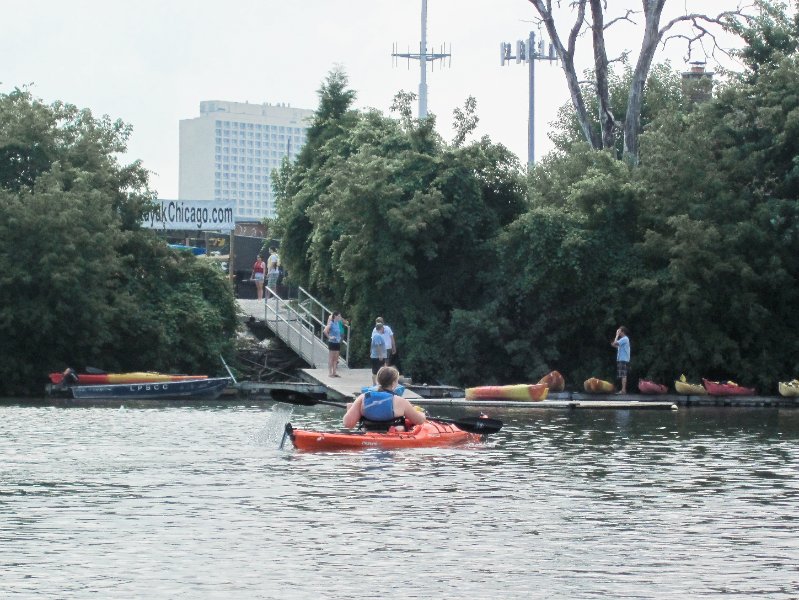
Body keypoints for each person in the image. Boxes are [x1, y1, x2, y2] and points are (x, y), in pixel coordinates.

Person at [343, 366, 426, 430]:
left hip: (367, 436)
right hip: (393, 441)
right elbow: (419, 421)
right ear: (394, 383)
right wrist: (422, 414)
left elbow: (348, 424)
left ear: (378, 381)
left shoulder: (363, 397)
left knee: (350, 406)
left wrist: (350, 409)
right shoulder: (401, 402)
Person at [324, 311, 348, 378]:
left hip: (337, 342)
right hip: (332, 342)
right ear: (335, 316)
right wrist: (330, 337)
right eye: (339, 316)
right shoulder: (331, 323)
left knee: (336, 358)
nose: (340, 317)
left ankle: (334, 373)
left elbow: (346, 322)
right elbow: (325, 331)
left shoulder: (337, 323)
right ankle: (330, 373)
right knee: (331, 358)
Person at [611, 326, 631, 394]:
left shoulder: (624, 339)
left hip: (623, 359)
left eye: (619, 331)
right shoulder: (624, 339)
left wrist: (616, 336)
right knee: (622, 375)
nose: (618, 332)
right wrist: (614, 343)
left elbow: (615, 343)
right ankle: (623, 389)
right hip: (622, 359)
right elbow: (615, 344)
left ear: (622, 332)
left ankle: (623, 390)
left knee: (623, 375)